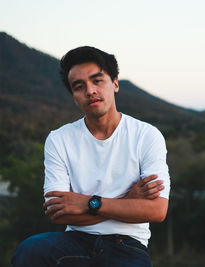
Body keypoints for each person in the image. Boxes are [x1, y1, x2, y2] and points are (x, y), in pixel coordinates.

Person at [12, 46, 170, 267]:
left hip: (128, 244)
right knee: (30, 250)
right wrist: (127, 201)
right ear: (74, 96)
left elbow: (157, 210)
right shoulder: (59, 139)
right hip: (74, 240)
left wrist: (87, 203)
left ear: (115, 83)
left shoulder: (146, 135)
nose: (90, 91)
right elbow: (59, 214)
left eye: (97, 81)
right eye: (79, 86)